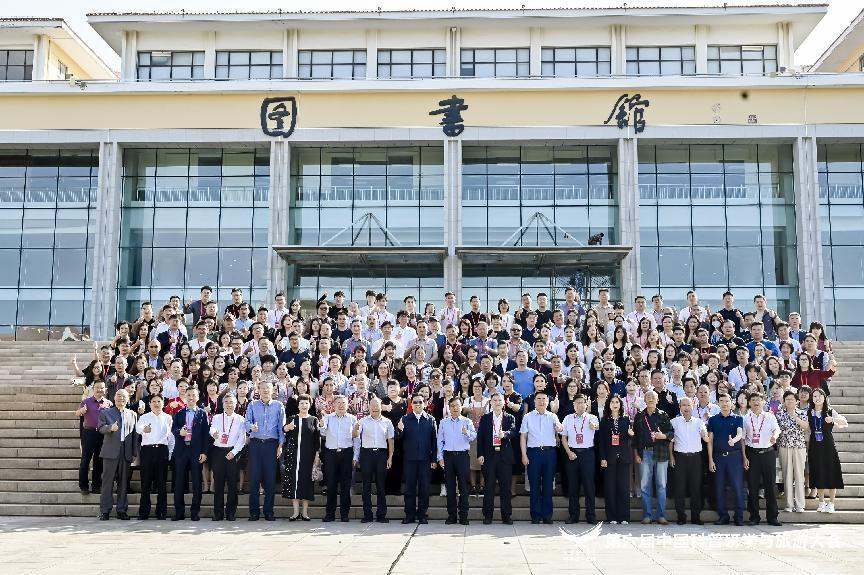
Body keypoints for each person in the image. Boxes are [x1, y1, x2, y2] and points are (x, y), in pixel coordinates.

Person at [245, 380, 286, 521]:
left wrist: (280, 445)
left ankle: (269, 511)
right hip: (255, 444)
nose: (265, 391)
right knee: (254, 479)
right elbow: (246, 422)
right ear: (258, 390)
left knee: (270, 479)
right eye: (262, 388)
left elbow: (281, 427)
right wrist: (251, 427)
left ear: (272, 390)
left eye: (268, 388)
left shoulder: (279, 405)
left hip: (271, 445)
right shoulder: (252, 405)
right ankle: (254, 512)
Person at [520, 390, 562, 524]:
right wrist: (524, 454)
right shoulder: (528, 417)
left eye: (544, 399)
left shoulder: (553, 416)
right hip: (534, 453)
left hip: (549, 453)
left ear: (548, 401)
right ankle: (535, 515)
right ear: (534, 401)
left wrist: (559, 428)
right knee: (534, 485)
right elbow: (523, 436)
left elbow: (559, 428)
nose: (541, 401)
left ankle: (547, 515)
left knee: (548, 485)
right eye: (539, 399)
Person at [633, 389, 674, 525]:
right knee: (645, 485)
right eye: (648, 397)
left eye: (653, 397)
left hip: (661, 452)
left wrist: (663, 436)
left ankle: (661, 515)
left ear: (657, 400)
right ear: (644, 400)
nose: (650, 399)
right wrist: (636, 454)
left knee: (661, 485)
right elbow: (635, 438)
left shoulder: (663, 415)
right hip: (645, 453)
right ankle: (647, 515)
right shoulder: (639, 416)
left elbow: (671, 433)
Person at [97, 388, 138, 520]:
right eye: (119, 396)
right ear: (114, 398)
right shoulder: (106, 412)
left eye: (124, 396)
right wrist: (110, 428)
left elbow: (135, 435)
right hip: (110, 452)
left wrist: (134, 452)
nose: (121, 398)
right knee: (107, 482)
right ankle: (105, 511)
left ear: (128, 399)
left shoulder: (132, 414)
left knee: (123, 483)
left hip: (126, 452)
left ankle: (121, 510)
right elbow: (100, 428)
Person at [559, 393, 600, 524]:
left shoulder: (592, 417)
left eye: (582, 402)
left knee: (589, 486)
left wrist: (594, 426)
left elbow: (596, 427)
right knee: (573, 486)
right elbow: (563, 437)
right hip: (572, 454)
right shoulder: (567, 418)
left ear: (586, 404)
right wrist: (568, 452)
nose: (580, 405)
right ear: (574, 405)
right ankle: (573, 515)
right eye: (577, 403)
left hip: (587, 454)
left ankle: (591, 515)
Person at [742, 391, 782, 526]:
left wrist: (774, 437)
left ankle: (772, 517)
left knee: (770, 485)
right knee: (752, 486)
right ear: (749, 403)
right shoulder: (745, 418)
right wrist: (744, 457)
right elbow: (743, 439)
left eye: (758, 400)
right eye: (753, 400)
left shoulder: (770, 416)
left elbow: (777, 430)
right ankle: (754, 516)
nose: (756, 402)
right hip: (752, 454)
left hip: (768, 453)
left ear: (763, 402)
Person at [397, 393, 438, 524]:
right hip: (410, 460)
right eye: (415, 402)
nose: (418, 404)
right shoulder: (405, 419)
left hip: (425, 460)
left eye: (420, 402)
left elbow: (434, 441)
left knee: (424, 488)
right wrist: (399, 430)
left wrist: (434, 459)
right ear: (411, 404)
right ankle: (409, 515)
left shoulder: (431, 420)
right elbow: (398, 438)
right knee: (409, 488)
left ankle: (422, 514)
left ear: (425, 404)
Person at [477, 392, 516, 524]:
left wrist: (505, 434)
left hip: (504, 457)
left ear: (503, 402)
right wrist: (480, 454)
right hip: (489, 456)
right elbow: (480, 437)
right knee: (489, 487)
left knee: (506, 487)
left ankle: (506, 515)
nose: (497, 403)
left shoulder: (510, 417)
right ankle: (488, 515)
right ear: (491, 403)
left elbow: (513, 431)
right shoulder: (485, 418)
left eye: (500, 400)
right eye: (495, 400)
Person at [437, 396, 477, 525]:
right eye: (452, 406)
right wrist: (440, 457)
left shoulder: (467, 421)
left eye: (457, 405)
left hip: (462, 456)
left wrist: (466, 433)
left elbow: (473, 436)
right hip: (448, 456)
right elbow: (440, 441)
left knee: (463, 487)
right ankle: (452, 516)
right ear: (449, 408)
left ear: (461, 407)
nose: (455, 408)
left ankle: (464, 516)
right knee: (450, 487)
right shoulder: (444, 422)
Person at [171, 386, 209, 521]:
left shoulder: (202, 414)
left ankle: (195, 512)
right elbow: (173, 429)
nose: (191, 398)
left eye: (194, 395)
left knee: (197, 483)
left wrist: (204, 452)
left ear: (197, 397)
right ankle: (179, 512)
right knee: (179, 483)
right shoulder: (179, 413)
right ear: (185, 397)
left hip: (196, 451)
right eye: (189, 395)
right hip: (181, 451)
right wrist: (179, 432)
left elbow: (206, 435)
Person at [707, 393, 745, 526]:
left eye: (727, 401)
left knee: (737, 487)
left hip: (734, 457)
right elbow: (710, 441)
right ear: (718, 403)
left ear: (731, 403)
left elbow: (740, 433)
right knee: (719, 487)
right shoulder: (713, 420)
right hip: (718, 457)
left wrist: (734, 440)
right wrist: (710, 459)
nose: (724, 403)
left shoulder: (738, 418)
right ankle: (723, 516)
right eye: (721, 401)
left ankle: (739, 517)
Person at [354, 397, 395, 523]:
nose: (374, 408)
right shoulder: (363, 421)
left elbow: (391, 440)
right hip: (366, 454)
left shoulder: (387, 422)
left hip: (381, 454)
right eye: (372, 405)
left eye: (377, 405)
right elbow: (355, 435)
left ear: (381, 406)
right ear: (369, 407)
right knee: (366, 485)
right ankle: (367, 514)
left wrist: (390, 457)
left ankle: (381, 514)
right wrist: (356, 427)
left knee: (381, 485)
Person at [669, 397, 709, 525]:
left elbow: (706, 437)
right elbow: (670, 441)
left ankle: (696, 516)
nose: (686, 408)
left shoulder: (699, 422)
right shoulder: (674, 422)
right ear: (680, 407)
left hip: (696, 458)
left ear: (693, 406)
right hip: (680, 458)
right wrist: (671, 456)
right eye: (683, 405)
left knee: (695, 488)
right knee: (679, 488)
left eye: (688, 405)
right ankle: (681, 516)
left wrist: (705, 433)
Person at [808, 388, 848, 514]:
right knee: (818, 472)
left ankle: (831, 503)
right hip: (815, 446)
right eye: (815, 396)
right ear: (812, 399)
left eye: (820, 396)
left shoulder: (830, 411)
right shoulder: (809, 412)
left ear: (824, 398)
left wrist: (833, 420)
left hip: (828, 446)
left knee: (831, 472)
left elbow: (844, 422)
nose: (817, 398)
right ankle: (821, 502)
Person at [319, 395, 359, 522]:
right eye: (338, 403)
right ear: (334, 405)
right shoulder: (328, 417)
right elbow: (323, 433)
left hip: (347, 453)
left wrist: (355, 456)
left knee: (346, 484)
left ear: (347, 405)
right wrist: (321, 425)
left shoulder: (352, 419)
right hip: (331, 453)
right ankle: (330, 513)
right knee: (331, 484)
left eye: (343, 403)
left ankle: (344, 513)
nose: (341, 405)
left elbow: (356, 439)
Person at [135, 394, 174, 520]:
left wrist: (170, 453)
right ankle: (144, 512)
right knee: (145, 482)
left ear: (163, 403)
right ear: (150, 404)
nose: (156, 404)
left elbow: (171, 437)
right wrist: (144, 429)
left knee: (162, 483)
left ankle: (161, 511)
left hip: (162, 450)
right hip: (147, 451)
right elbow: (138, 428)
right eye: (153, 401)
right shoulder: (144, 417)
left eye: (158, 401)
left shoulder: (168, 417)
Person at [282, 393, 320, 522]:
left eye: (306, 403)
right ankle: (295, 512)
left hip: (308, 456)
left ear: (310, 405)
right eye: (301, 403)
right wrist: (287, 427)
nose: (304, 405)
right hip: (293, 455)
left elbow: (317, 439)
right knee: (294, 482)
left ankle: (304, 512)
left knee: (306, 482)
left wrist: (317, 455)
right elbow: (283, 430)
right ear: (298, 405)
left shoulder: (314, 419)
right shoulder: (292, 418)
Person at [209, 393, 246, 521]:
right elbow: (212, 429)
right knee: (218, 483)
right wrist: (214, 433)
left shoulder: (240, 419)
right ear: (222, 404)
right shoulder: (217, 417)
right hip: (218, 451)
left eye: (231, 402)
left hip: (233, 452)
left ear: (236, 404)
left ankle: (231, 512)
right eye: (226, 402)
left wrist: (234, 452)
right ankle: (218, 513)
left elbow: (242, 439)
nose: (229, 405)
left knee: (232, 484)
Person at [598, 394, 634, 525]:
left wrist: (631, 435)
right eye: (612, 402)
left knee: (623, 488)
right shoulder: (604, 420)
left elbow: (629, 438)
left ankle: (624, 516)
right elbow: (601, 441)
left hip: (623, 457)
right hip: (609, 458)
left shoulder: (626, 419)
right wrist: (603, 457)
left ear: (620, 405)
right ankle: (612, 516)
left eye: (617, 402)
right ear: (609, 405)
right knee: (610, 488)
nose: (615, 404)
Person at [75, 381, 112, 495]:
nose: (99, 390)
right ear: (93, 389)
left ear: (105, 389)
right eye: (97, 388)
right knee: (85, 460)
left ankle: (96, 486)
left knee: (99, 461)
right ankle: (84, 486)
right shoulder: (86, 401)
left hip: (102, 434)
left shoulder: (108, 403)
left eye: (102, 388)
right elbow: (77, 413)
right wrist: (81, 411)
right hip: (89, 433)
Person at [776, 389, 808, 513]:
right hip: (784, 446)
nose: (789, 401)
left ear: (796, 401)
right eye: (787, 399)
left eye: (792, 399)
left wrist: (795, 417)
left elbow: (805, 426)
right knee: (787, 475)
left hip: (799, 446)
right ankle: (789, 504)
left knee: (799, 475)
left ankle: (800, 504)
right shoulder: (779, 414)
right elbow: (776, 430)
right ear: (784, 401)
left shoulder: (802, 412)